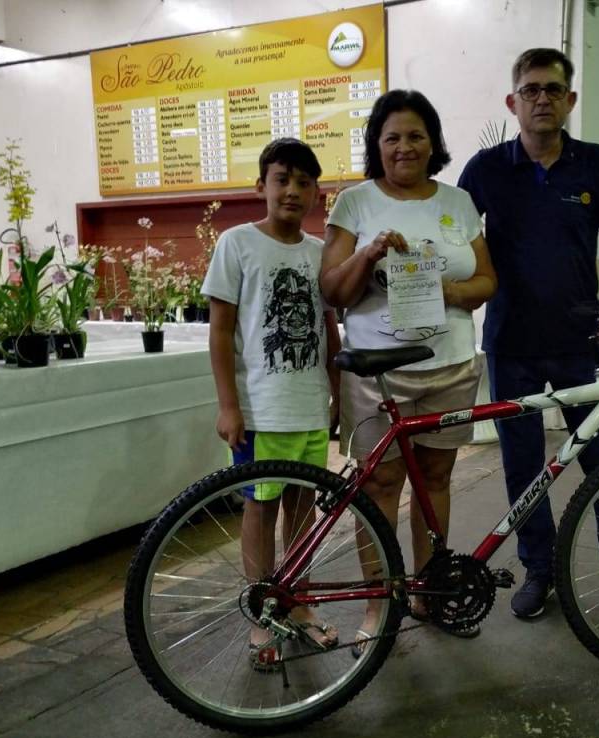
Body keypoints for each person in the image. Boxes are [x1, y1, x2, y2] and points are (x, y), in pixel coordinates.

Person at [459, 48, 599, 624]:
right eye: (530, 90)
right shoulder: (485, 170)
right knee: (523, 468)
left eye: (552, 89)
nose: (541, 98)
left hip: (581, 342)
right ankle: (538, 571)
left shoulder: (595, 163)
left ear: (570, 99)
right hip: (511, 344)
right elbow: (451, 236)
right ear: (512, 101)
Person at [321, 89, 497, 652]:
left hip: (449, 365)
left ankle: (429, 592)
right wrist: (369, 254)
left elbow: (487, 281)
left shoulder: (459, 202)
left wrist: (450, 290)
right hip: (378, 372)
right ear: (377, 144)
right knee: (379, 485)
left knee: (436, 481)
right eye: (392, 136)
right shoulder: (354, 203)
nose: (405, 146)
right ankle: (380, 605)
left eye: (416, 135)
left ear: (432, 142)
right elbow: (332, 290)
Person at [202, 138, 342, 672]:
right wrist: (228, 405)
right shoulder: (236, 244)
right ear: (261, 184)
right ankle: (262, 611)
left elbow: (328, 328)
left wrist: (335, 393)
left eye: (304, 182)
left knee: (303, 510)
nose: (292, 191)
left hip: (308, 407)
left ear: (316, 193)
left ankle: (298, 604)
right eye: (282, 179)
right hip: (261, 411)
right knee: (260, 509)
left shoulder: (319, 252)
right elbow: (220, 332)